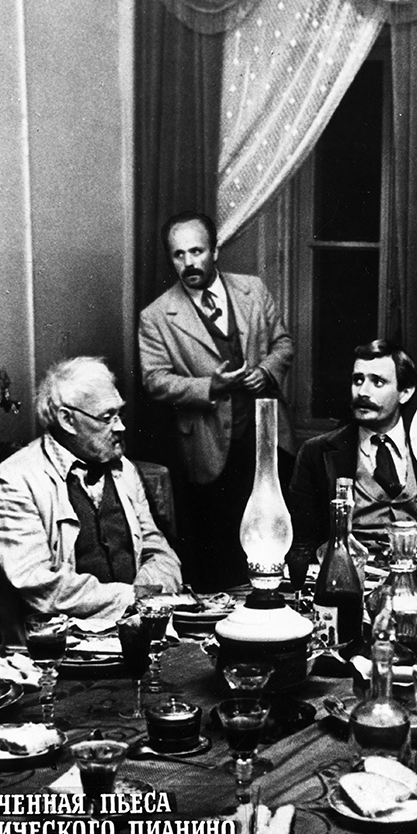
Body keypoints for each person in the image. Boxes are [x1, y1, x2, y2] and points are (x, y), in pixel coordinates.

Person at [138, 210, 294, 589]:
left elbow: (283, 343)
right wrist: (210, 386)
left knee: (276, 539)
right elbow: (154, 380)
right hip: (209, 448)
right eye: (178, 254)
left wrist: (267, 371)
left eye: (197, 251)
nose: (189, 263)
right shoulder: (156, 316)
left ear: (215, 251)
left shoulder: (253, 290)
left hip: (267, 437)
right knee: (224, 557)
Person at [0, 357, 181, 628]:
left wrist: (148, 596)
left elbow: (159, 552)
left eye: (119, 414)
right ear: (67, 419)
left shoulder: (123, 469)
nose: (120, 427)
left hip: (135, 632)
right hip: (55, 643)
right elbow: (41, 586)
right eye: (107, 417)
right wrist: (134, 598)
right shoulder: (13, 480)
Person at [288, 339, 417, 564]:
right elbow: (303, 542)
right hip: (349, 574)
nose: (363, 392)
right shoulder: (316, 453)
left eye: (378, 382)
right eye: (358, 380)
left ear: (405, 392)